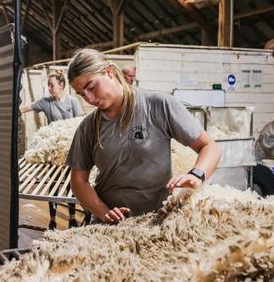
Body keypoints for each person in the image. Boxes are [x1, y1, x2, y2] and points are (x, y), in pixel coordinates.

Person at [65, 49, 221, 224]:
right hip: (111, 225)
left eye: (92, 88)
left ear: (108, 71)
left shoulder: (158, 105)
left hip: (158, 219)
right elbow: (78, 180)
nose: (90, 99)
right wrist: (104, 212)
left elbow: (209, 147)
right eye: (82, 94)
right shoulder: (88, 126)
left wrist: (197, 174)